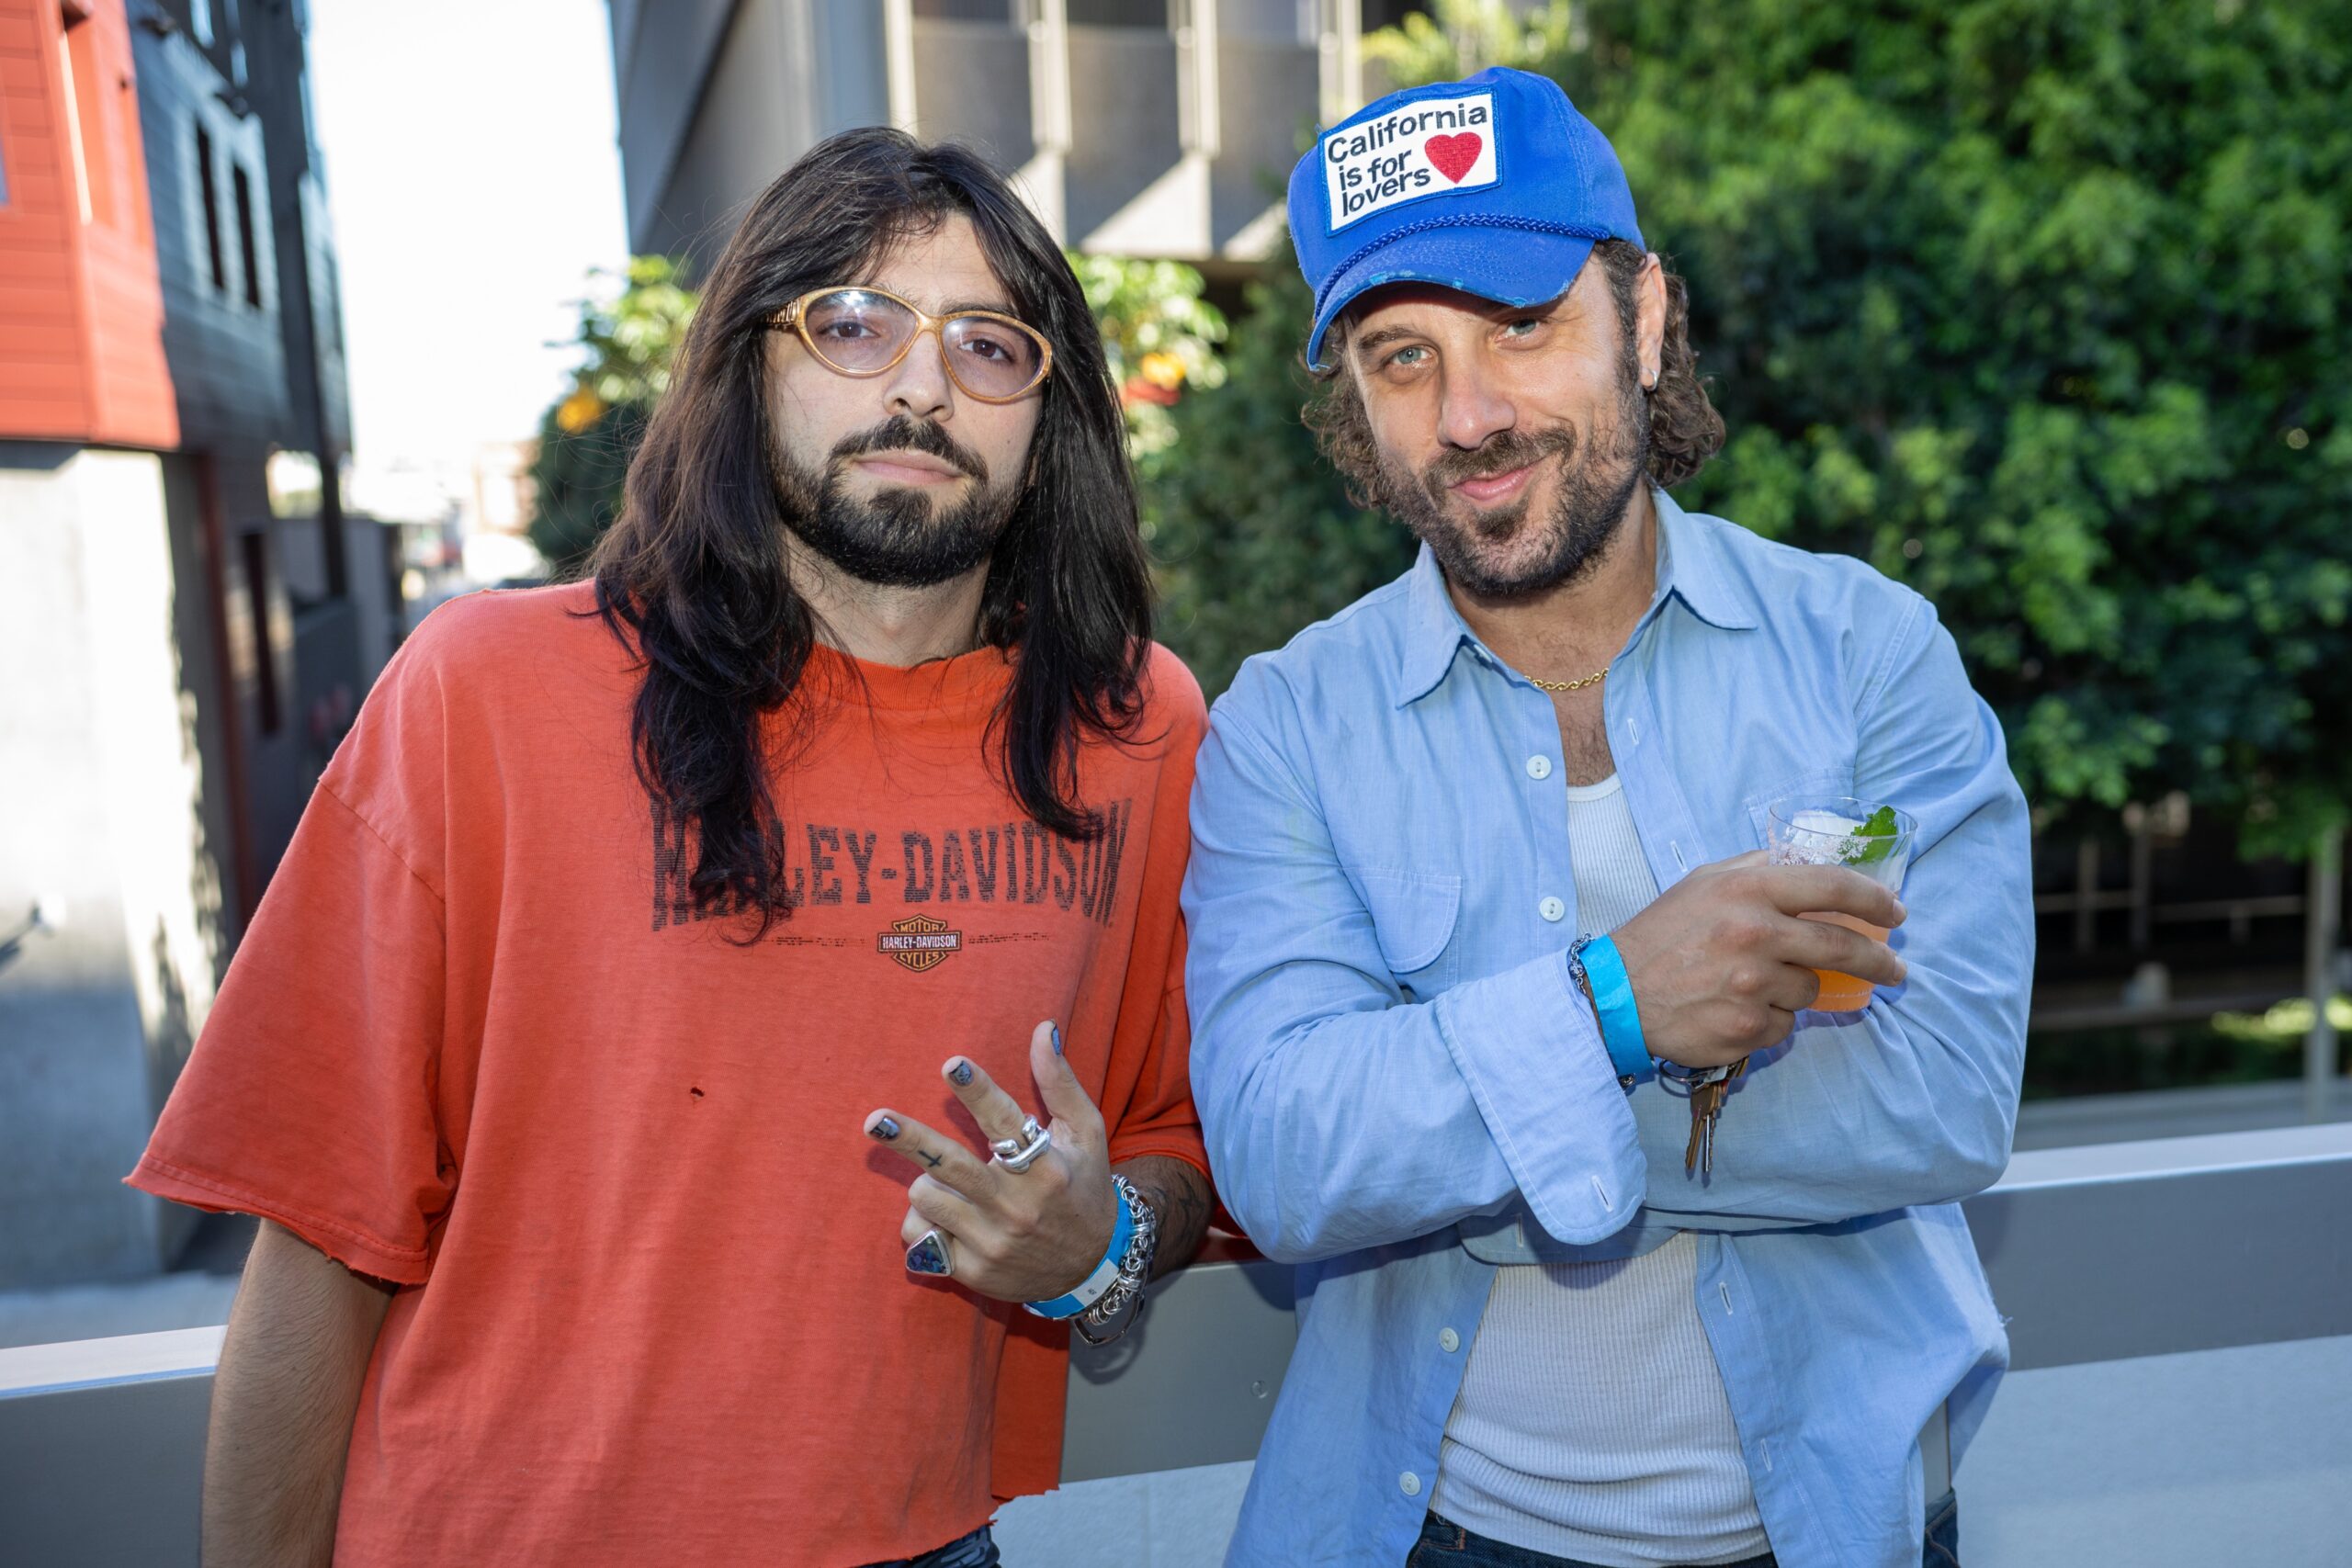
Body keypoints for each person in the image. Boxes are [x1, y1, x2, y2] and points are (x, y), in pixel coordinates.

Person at [129, 128, 1214, 1568]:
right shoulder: (483, 692)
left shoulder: (1135, 731)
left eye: (988, 345)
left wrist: (1104, 1246)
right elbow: (320, 1233)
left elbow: (1179, 1142)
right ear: (746, 363)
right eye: (852, 324)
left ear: (1048, 412)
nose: (919, 385)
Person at [1183, 68, 2028, 1568]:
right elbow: (1286, 1161)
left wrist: (1450, 1128)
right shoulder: (1283, 728)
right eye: (1402, 357)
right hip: (1443, 1534)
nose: (1471, 415)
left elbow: (1949, 1097)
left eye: (1523, 325)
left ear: (1643, 320)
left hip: (1837, 1528)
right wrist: (1619, 1008)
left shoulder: (1865, 652)